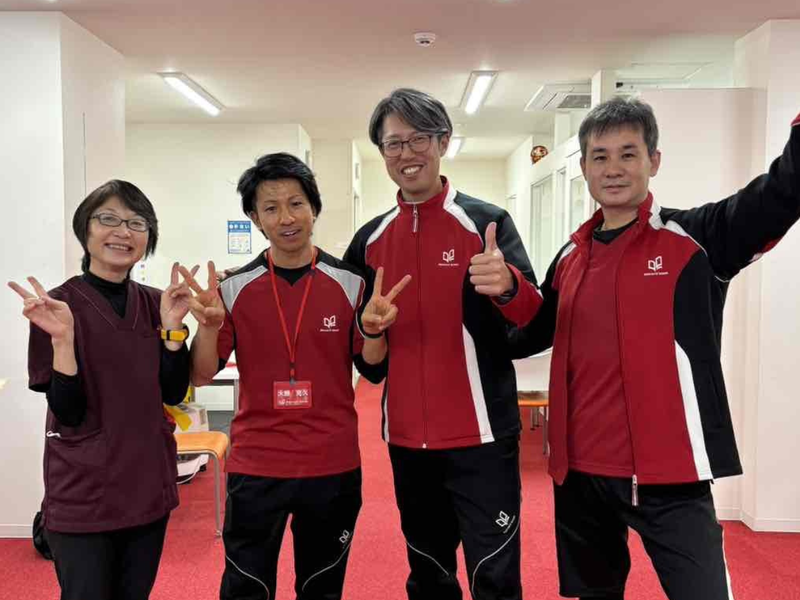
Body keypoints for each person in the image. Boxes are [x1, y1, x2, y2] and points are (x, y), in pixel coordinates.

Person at [510, 96, 800, 600]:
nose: (613, 169)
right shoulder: (570, 255)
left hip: (671, 474)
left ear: (654, 161)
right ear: (584, 168)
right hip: (581, 473)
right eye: (600, 157)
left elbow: (781, 194)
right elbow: (533, 334)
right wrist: (507, 292)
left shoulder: (698, 238)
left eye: (628, 154)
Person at [344, 88, 542, 600]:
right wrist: (369, 330)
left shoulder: (486, 223)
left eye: (419, 140)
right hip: (407, 440)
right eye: (393, 143)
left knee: (494, 577)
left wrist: (509, 287)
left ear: (443, 142)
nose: (406, 154)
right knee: (429, 575)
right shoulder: (369, 240)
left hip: (483, 435)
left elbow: (534, 325)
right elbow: (366, 361)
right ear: (382, 152)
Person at [185, 152, 398, 600]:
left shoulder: (352, 283)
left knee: (322, 587)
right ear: (255, 218)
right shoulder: (232, 289)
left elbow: (373, 369)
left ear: (314, 208)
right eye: (271, 207)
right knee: (246, 588)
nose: (286, 218)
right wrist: (206, 327)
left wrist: (375, 331)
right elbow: (202, 375)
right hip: (257, 464)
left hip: (331, 464)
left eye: (296, 203)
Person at [8, 180, 193, 600]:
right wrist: (62, 341)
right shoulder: (56, 307)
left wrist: (173, 329)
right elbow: (68, 412)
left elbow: (173, 392)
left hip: (146, 485)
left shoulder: (157, 303)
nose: (123, 232)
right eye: (108, 219)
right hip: (83, 492)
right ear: (85, 230)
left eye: (136, 223)